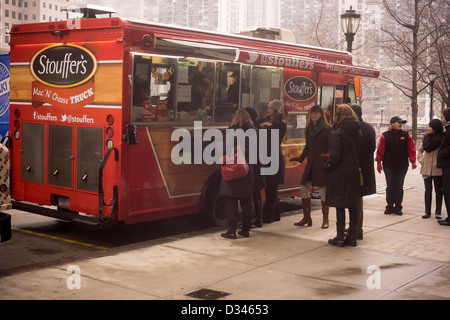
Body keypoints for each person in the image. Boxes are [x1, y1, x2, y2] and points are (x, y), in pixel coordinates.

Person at [324, 104, 362, 247]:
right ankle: (352, 237)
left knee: (340, 204)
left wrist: (327, 165)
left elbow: (335, 156)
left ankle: (340, 236)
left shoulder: (339, 132)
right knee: (352, 204)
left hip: (340, 173)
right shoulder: (357, 130)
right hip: (353, 172)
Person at [289, 105, 332, 228]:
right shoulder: (309, 128)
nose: (314, 115)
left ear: (321, 115)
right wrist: (300, 158)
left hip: (322, 163)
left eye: (317, 113)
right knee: (303, 188)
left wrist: (327, 156)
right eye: (312, 113)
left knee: (323, 190)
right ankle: (306, 218)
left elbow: (331, 145)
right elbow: (308, 147)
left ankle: (325, 220)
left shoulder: (327, 129)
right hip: (311, 163)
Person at [220, 109, 255, 239]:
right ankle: (246, 230)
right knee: (246, 201)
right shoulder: (253, 132)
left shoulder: (232, 131)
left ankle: (231, 231)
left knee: (231, 201)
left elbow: (224, 149)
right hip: (247, 169)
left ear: (236, 118)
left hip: (234, 169)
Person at [376, 116, 417, 216]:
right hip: (388, 165)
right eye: (399, 122)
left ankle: (398, 207)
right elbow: (380, 150)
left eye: (401, 123)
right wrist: (378, 162)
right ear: (392, 123)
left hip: (402, 165)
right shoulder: (385, 136)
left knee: (399, 186)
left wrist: (413, 161)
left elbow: (411, 149)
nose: (400, 124)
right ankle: (389, 206)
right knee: (390, 186)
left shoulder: (406, 135)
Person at [349, 104, 377, 240]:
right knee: (358, 199)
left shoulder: (353, 129)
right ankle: (356, 227)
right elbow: (372, 148)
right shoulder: (370, 128)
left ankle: (355, 229)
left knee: (354, 200)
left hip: (354, 168)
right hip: (365, 168)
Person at [260, 99, 287, 224]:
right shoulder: (267, 122)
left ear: (276, 111)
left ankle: (267, 217)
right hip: (268, 158)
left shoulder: (281, 124)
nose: (268, 110)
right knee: (270, 188)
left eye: (270, 108)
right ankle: (276, 215)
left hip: (275, 159)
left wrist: (267, 125)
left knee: (271, 188)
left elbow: (276, 129)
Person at [417, 119, 444, 219]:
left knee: (438, 191)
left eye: (430, 127)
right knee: (427, 190)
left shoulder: (442, 139)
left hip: (438, 168)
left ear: (435, 128)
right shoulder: (426, 138)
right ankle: (427, 211)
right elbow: (420, 150)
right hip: (426, 168)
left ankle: (438, 212)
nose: (428, 128)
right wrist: (421, 160)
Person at [244, 107, 265, 228]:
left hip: (252, 165)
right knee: (257, 193)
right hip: (259, 163)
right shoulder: (259, 128)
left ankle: (253, 221)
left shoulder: (249, 130)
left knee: (250, 193)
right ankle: (258, 220)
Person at [437, 108, 450, 226]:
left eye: (442, 117)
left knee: (447, 191)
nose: (441, 119)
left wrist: (442, 153)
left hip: (447, 165)